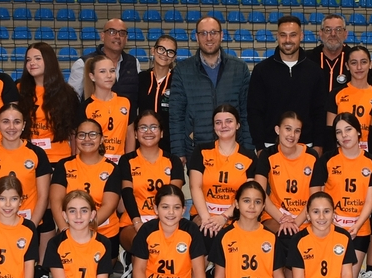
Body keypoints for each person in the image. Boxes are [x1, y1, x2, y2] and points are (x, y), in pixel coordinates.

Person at [0, 104, 52, 278]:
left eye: (17, 122)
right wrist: (1, 224)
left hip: (28, 222)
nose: (11, 127)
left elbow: (43, 196)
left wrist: (30, 226)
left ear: (24, 125)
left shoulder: (37, 154)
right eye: (6, 122)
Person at [129, 184, 214, 278]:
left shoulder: (190, 230)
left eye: (176, 207)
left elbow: (199, 270)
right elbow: (138, 270)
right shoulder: (147, 230)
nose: (170, 212)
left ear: (183, 210)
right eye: (165, 207)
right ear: (156, 209)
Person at [168, 16, 253, 161]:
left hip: (234, 149)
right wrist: (178, 152)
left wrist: (249, 148)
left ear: (221, 35)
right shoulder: (182, 70)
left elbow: (246, 112)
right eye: (203, 33)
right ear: (196, 37)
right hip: (197, 151)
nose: (209, 38)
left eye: (213, 32)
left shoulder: (239, 68)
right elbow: (176, 115)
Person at [311, 112, 372, 278]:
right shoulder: (327, 159)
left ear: (358, 132)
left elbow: (370, 201)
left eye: (348, 129)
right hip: (329, 228)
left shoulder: (371, 161)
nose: (344, 135)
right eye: (339, 132)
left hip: (359, 230)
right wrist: (326, 222)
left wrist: (357, 226)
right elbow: (315, 196)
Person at [247, 15, 327, 148]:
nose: (288, 40)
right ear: (277, 36)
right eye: (283, 35)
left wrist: (318, 145)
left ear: (301, 36)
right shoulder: (261, 70)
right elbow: (254, 112)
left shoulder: (314, 71)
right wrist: (260, 146)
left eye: (293, 35)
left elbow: (320, 111)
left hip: (305, 145)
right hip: (270, 145)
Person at [115, 110, 185, 254]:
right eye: (143, 127)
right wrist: (137, 222)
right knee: (143, 242)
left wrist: (162, 224)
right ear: (135, 134)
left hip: (167, 220)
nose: (148, 131)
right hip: (133, 222)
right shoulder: (127, 160)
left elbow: (173, 197)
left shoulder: (173, 161)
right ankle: (132, 262)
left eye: (154, 127)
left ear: (162, 133)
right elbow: (127, 192)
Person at [188, 104, 256, 250]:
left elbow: (248, 195)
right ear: (213, 127)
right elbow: (195, 187)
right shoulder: (201, 151)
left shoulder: (249, 157)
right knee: (204, 236)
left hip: (235, 216)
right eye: (218, 122)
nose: (223, 126)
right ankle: (205, 271)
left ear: (237, 125)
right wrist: (207, 219)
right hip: (203, 215)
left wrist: (224, 217)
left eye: (229, 121)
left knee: (233, 240)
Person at [50, 119, 121, 250]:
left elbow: (108, 206)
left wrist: (83, 232)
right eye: (82, 135)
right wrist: (65, 229)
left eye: (93, 134)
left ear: (101, 139)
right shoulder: (64, 165)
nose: (87, 139)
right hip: (69, 229)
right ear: (75, 139)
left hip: (104, 232)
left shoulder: (112, 169)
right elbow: (56, 200)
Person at [254, 112, 319, 235]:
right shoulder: (267, 155)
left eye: (297, 131)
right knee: (284, 235)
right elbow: (260, 193)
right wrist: (282, 219)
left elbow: (314, 197)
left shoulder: (311, 156)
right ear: (277, 130)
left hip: (305, 216)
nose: (292, 135)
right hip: (275, 216)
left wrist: (295, 223)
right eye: (288, 129)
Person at [18, 41, 79, 164]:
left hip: (58, 158)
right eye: (28, 60)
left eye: (37, 58)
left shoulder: (67, 93)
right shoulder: (18, 90)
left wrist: (75, 160)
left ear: (49, 61)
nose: (32, 63)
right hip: (26, 158)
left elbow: (74, 132)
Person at [68, 17, 141, 108]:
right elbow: (70, 101)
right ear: (102, 36)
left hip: (126, 121)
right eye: (112, 32)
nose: (117, 36)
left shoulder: (134, 63)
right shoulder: (83, 63)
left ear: (126, 39)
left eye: (122, 33)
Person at [81, 54, 134, 163]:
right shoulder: (86, 107)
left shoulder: (126, 102)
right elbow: (81, 142)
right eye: (102, 71)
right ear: (92, 76)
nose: (109, 75)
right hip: (94, 165)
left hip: (120, 165)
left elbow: (130, 135)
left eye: (112, 71)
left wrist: (128, 164)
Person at [324, 45, 372, 153]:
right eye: (354, 63)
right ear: (347, 66)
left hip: (370, 154)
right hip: (342, 153)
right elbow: (330, 131)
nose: (359, 67)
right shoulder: (336, 94)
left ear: (370, 64)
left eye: (363, 62)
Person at [135, 35, 176, 155]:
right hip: (143, 143)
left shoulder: (178, 81)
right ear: (153, 50)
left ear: (174, 57)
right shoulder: (141, 79)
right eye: (161, 49)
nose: (165, 54)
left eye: (170, 52)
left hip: (169, 146)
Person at [307, 13, 351, 94]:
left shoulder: (354, 58)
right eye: (328, 30)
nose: (333, 34)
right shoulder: (308, 58)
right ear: (320, 34)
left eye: (338, 30)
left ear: (345, 34)